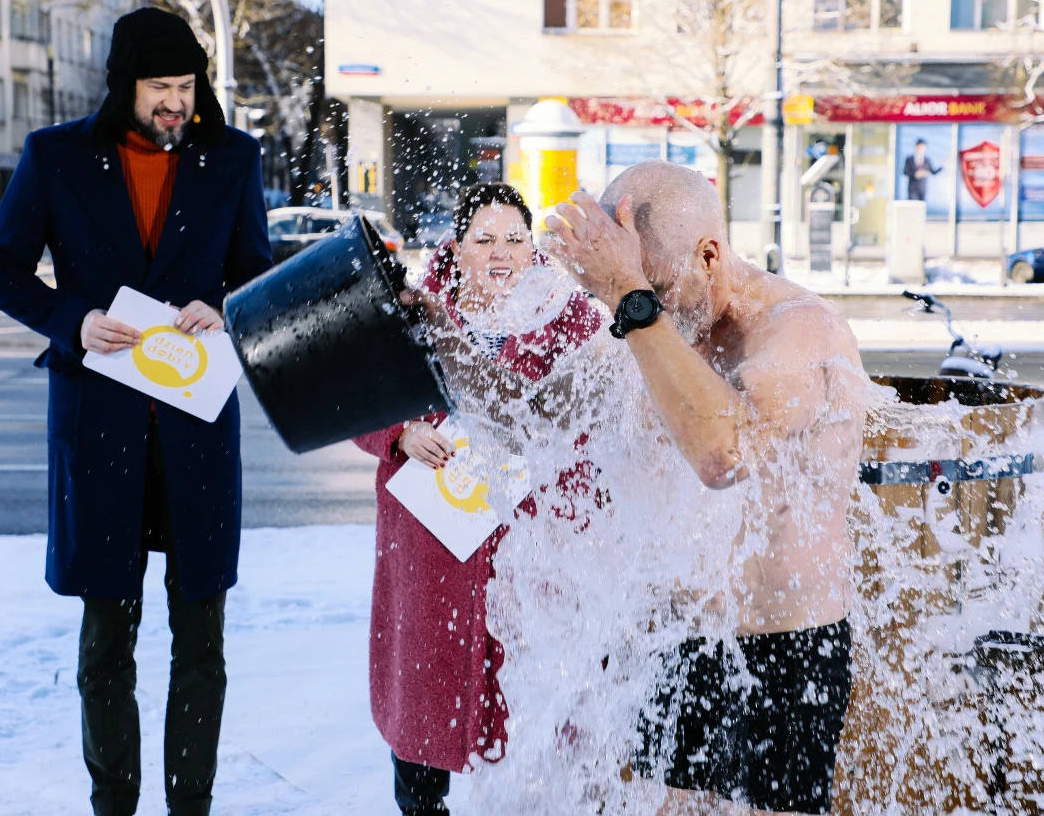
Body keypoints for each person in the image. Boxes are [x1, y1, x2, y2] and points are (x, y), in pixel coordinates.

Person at [0, 7, 272, 816]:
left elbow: (258, 273)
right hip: (98, 430)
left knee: (201, 637)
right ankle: (114, 804)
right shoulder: (56, 157)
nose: (177, 102)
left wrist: (225, 304)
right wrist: (71, 320)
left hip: (196, 432)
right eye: (160, 87)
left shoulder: (232, 157)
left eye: (187, 85)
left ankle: (190, 805)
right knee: (107, 639)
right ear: (123, 87)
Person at [542, 162, 867, 816]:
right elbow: (543, 409)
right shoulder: (656, 321)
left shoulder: (796, 329)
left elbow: (725, 454)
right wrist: (436, 341)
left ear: (710, 254)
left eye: (656, 288)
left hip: (781, 651)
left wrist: (631, 296)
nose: (642, 310)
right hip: (679, 636)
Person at [354, 184, 602, 816]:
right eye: (484, 239)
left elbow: (593, 411)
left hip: (526, 548)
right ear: (456, 246)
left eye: (515, 239)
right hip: (430, 547)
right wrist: (400, 433)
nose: (501, 253)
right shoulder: (414, 309)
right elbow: (354, 400)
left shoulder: (568, 316)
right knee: (424, 704)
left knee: (528, 716)